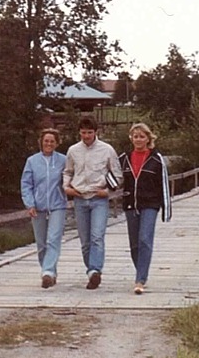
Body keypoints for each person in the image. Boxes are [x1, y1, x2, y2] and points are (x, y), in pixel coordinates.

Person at [63, 116, 122, 290]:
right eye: (83, 133)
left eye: (89, 132)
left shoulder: (107, 150)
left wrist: (109, 191)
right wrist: (66, 187)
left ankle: (96, 269)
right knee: (85, 240)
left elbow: (117, 175)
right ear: (79, 132)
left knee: (97, 236)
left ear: (96, 132)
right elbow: (68, 171)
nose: (86, 136)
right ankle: (91, 272)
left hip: (99, 198)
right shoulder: (73, 150)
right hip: (80, 197)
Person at [117, 123, 172, 295]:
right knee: (134, 244)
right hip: (130, 204)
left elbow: (163, 184)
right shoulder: (124, 158)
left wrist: (166, 209)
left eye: (142, 136)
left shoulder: (156, 159)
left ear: (148, 138)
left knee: (144, 239)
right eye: (135, 136)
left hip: (150, 204)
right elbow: (114, 177)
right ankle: (141, 270)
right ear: (131, 138)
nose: (139, 139)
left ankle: (140, 279)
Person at [21, 128, 68, 289]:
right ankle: (49, 272)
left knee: (53, 239)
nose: (49, 144)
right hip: (38, 207)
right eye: (46, 141)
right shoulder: (32, 161)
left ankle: (47, 272)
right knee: (41, 244)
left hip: (58, 205)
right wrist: (30, 204)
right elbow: (26, 184)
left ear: (56, 143)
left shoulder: (63, 160)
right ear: (41, 142)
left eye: (52, 141)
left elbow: (70, 178)